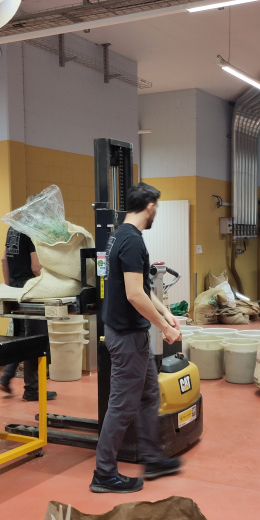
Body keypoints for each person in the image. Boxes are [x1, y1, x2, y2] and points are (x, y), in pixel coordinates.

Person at [89, 182, 182, 494]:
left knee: (148, 396)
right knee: (122, 406)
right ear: (150, 206)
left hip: (131, 335)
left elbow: (141, 288)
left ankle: (152, 458)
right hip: (128, 338)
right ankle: (104, 473)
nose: (156, 212)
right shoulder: (131, 241)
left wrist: (165, 313)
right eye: (157, 208)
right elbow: (134, 295)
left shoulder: (120, 235)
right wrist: (164, 328)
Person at [0, 226, 57, 402]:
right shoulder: (31, 230)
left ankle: (5, 377)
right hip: (31, 292)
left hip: (15, 289)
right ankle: (32, 389)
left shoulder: (12, 229)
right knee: (35, 340)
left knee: (20, 337)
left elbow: (4, 260)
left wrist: (9, 289)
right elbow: (36, 267)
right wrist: (49, 285)